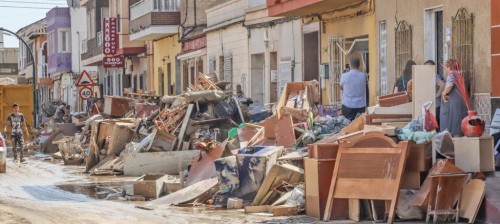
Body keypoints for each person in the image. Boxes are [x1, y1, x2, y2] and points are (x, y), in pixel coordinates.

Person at [440, 59, 468, 136]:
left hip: (453, 102)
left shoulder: (452, 74)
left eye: (446, 67)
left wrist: (444, 93)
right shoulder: (462, 74)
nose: (445, 70)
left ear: (449, 67)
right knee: (460, 122)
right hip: (462, 101)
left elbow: (449, 85)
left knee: (454, 124)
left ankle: (455, 143)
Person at [340, 57, 367, 121]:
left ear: (350, 65)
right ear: (359, 65)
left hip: (348, 105)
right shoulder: (363, 76)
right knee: (359, 125)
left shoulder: (344, 76)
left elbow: (341, 88)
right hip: (360, 105)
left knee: (347, 125)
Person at [424, 60, 445, 129]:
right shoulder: (428, 76)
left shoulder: (434, 76)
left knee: (436, 125)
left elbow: (442, 85)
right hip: (433, 105)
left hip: (436, 105)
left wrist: (437, 95)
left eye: (428, 67)